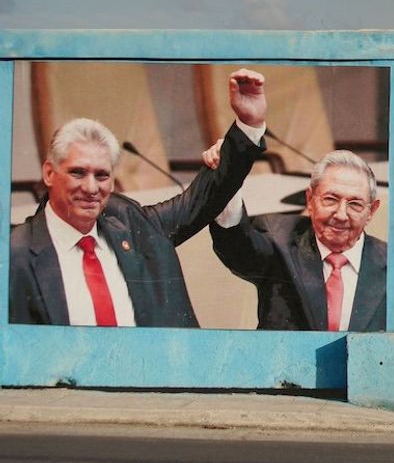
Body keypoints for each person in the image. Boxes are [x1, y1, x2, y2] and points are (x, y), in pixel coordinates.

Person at [9, 69, 268, 327]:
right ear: (49, 173)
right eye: (78, 173)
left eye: (101, 175)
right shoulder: (15, 254)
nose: (90, 188)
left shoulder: (128, 221)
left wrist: (248, 125)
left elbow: (198, 201)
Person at [207, 149, 387, 332]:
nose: (341, 215)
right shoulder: (279, 238)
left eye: (355, 204)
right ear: (310, 200)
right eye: (330, 200)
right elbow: (235, 245)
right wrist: (228, 180)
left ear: (371, 211)